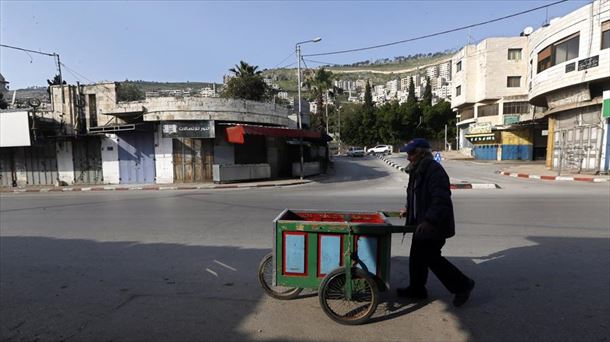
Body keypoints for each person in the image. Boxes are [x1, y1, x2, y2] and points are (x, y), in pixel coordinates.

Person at [397, 138, 475, 307]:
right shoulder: (417, 170)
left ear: (421, 153)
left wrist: (429, 221)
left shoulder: (434, 170)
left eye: (410, 153)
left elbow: (440, 200)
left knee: (431, 258)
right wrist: (408, 209)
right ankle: (416, 289)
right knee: (417, 258)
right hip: (421, 224)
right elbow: (416, 196)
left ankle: (463, 285)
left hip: (434, 225)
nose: (408, 157)